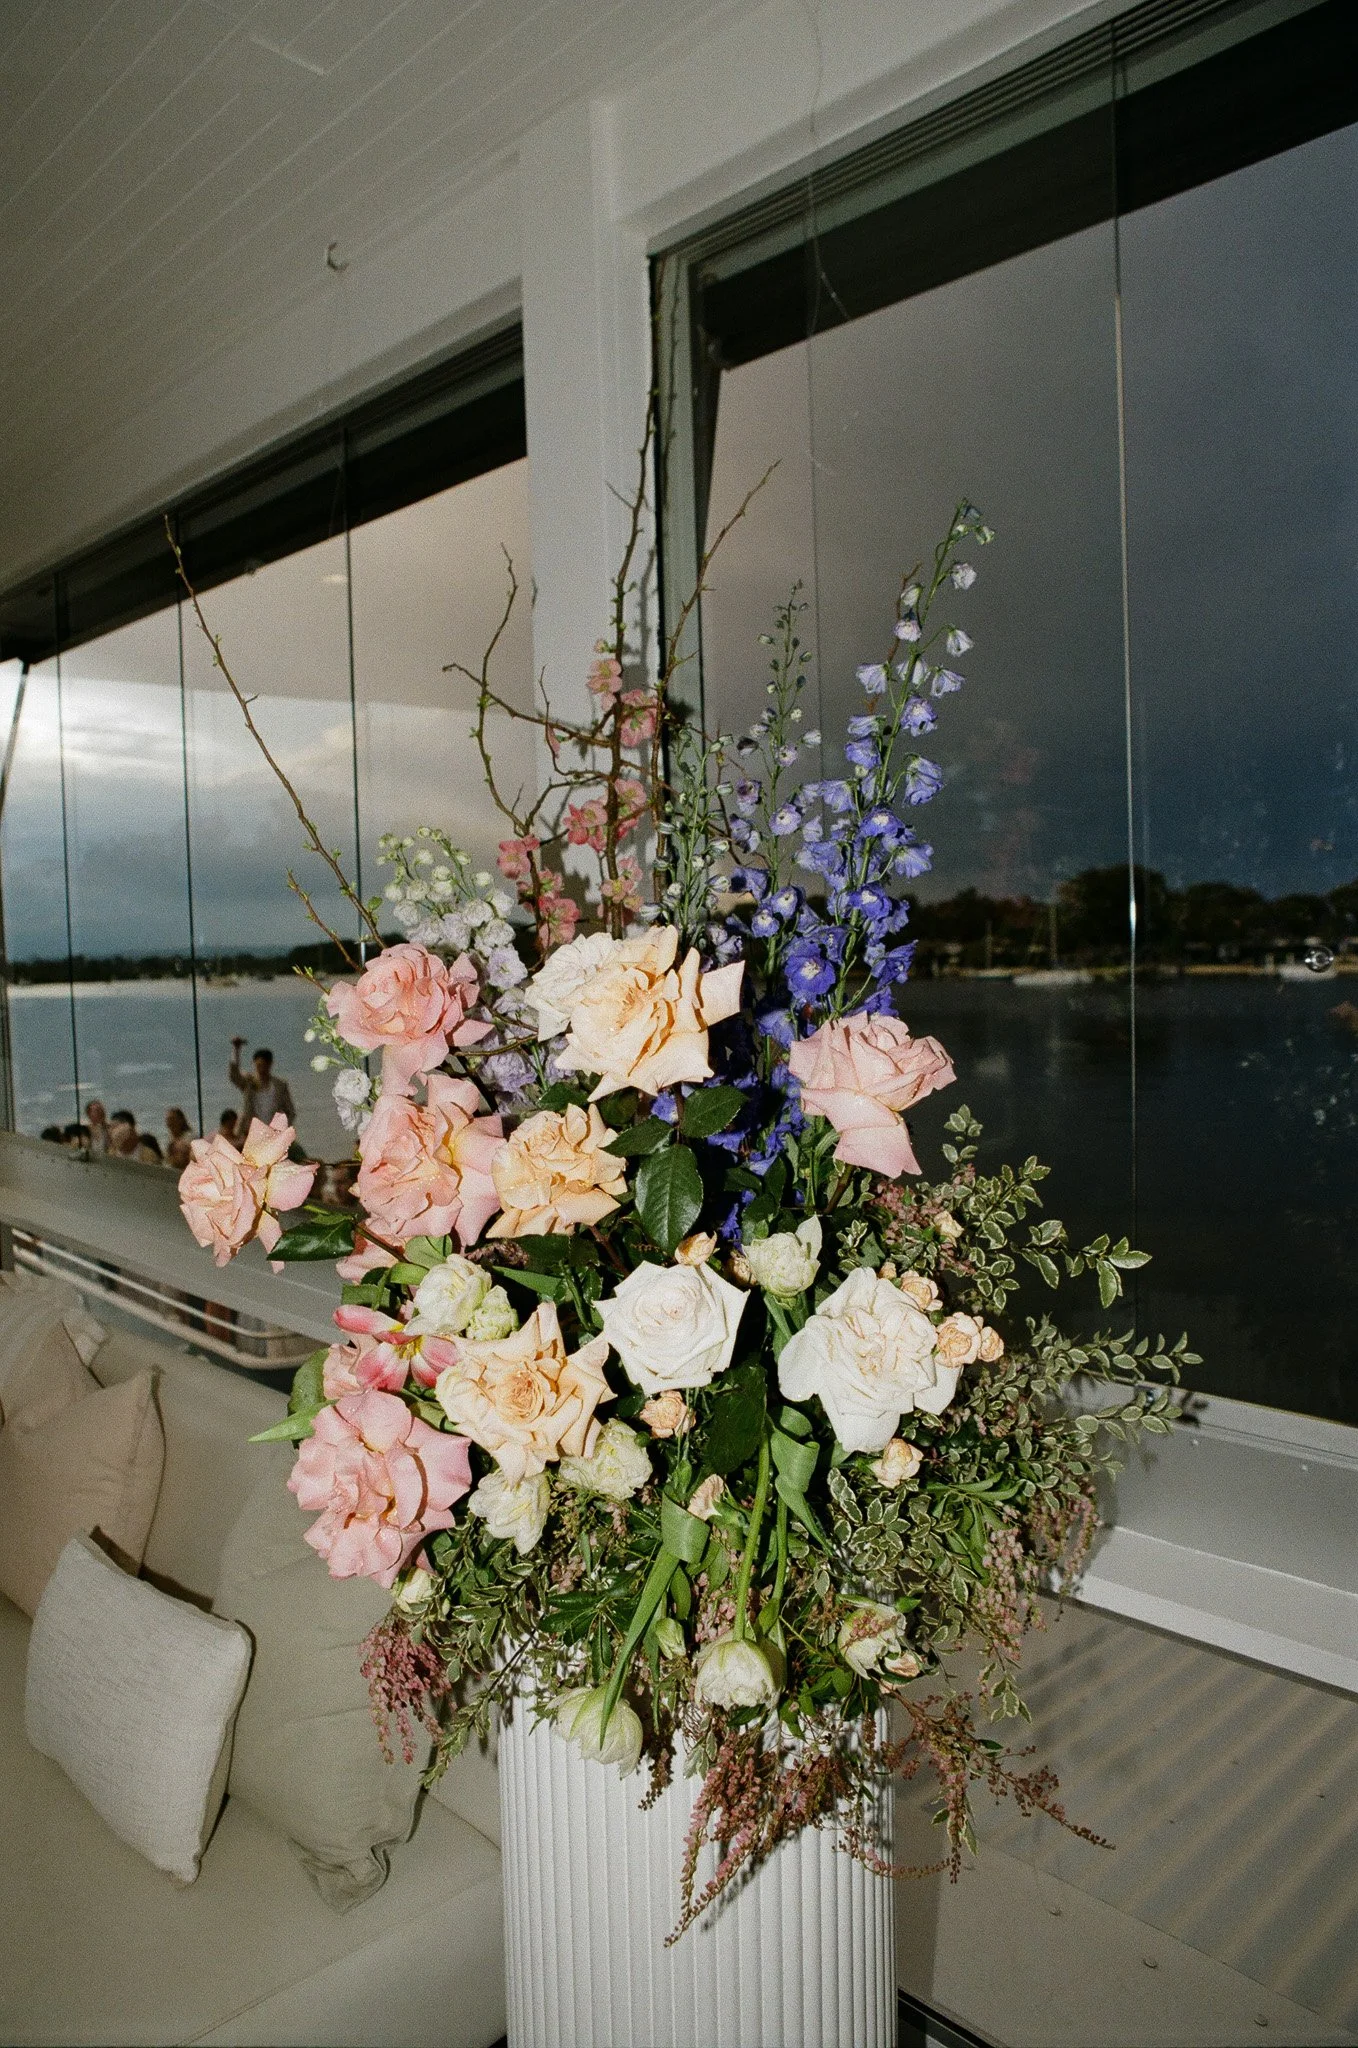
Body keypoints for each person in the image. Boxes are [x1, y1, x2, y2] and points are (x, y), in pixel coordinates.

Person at [228, 1039, 296, 1130]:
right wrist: (236, 1050)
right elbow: (234, 1075)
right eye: (259, 1065)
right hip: (250, 1132)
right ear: (254, 1064)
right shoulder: (248, 1082)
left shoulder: (280, 1085)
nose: (262, 1069)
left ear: (270, 1064)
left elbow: (290, 1111)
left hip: (273, 1133)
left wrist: (282, 1129)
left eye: (264, 1066)